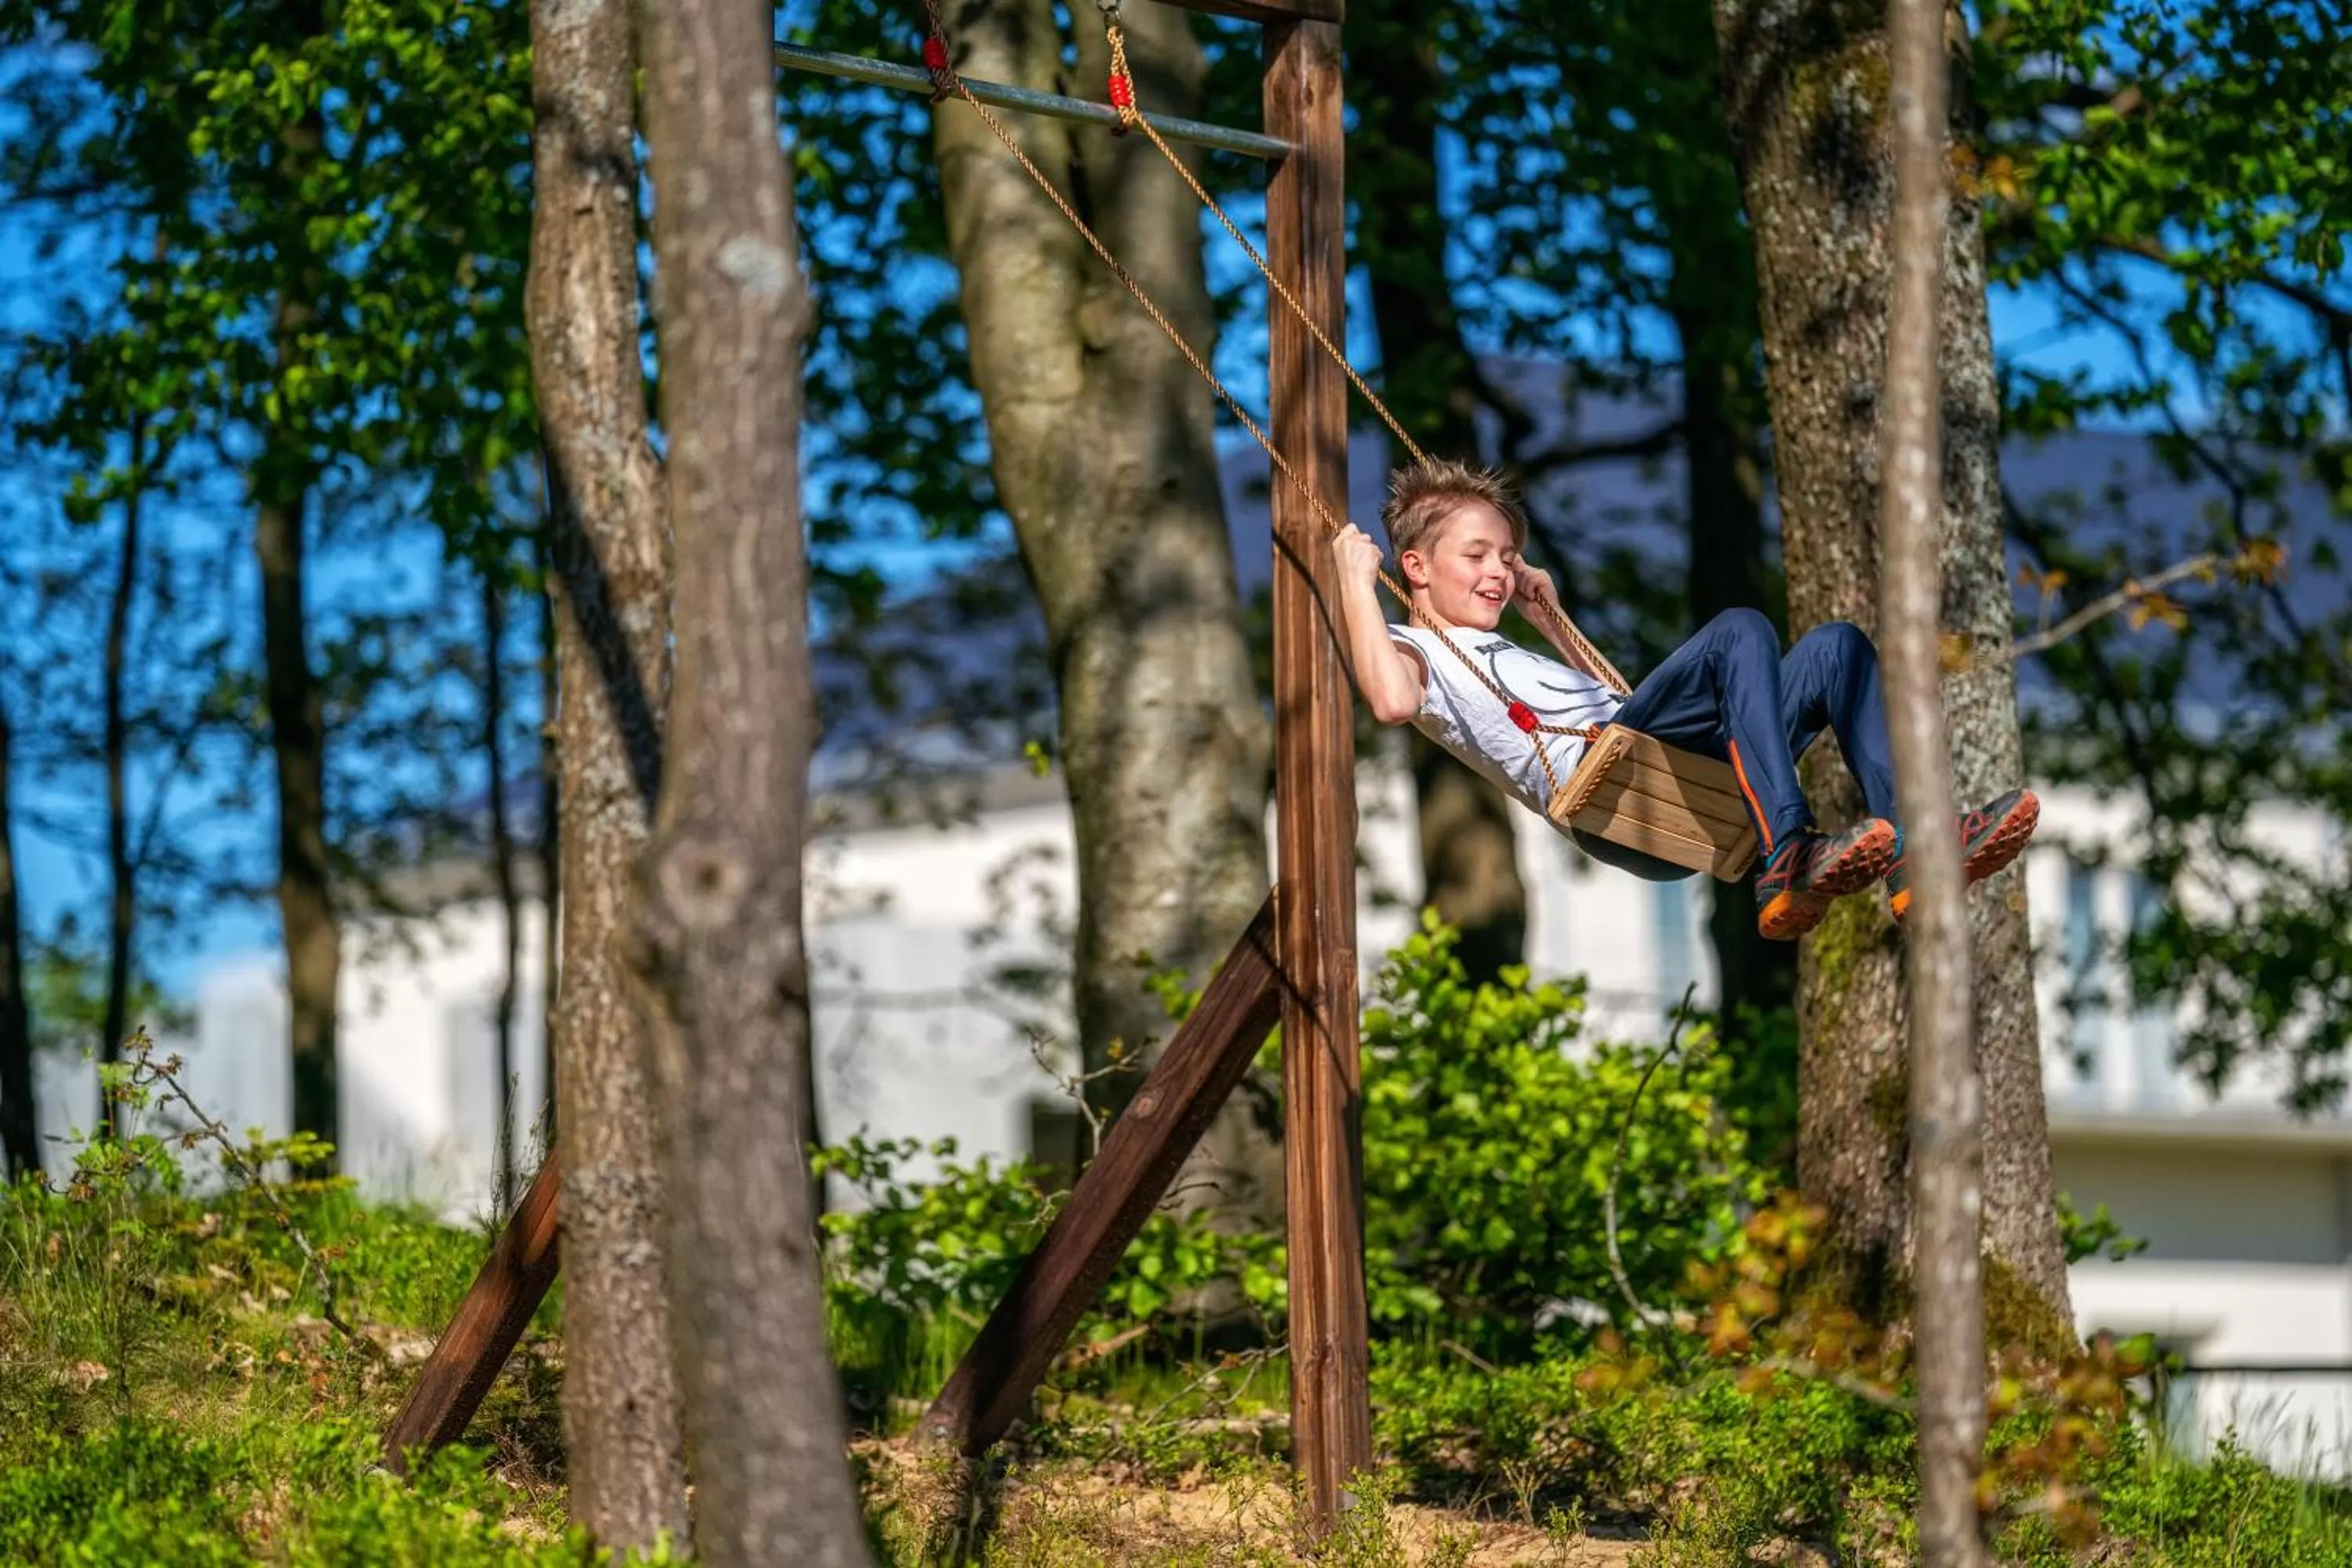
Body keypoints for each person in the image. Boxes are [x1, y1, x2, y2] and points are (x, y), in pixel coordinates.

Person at [1332, 459, 2039, 939]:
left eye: (1506, 557)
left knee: (1836, 649)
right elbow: (1392, 702)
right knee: (1739, 631)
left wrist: (1550, 623)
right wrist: (1356, 584)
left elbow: (1619, 710)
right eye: (1477, 555)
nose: (1497, 572)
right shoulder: (1416, 649)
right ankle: (1787, 853)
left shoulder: (1510, 650)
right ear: (1416, 568)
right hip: (1613, 802)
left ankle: (1916, 849)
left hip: (1660, 773)